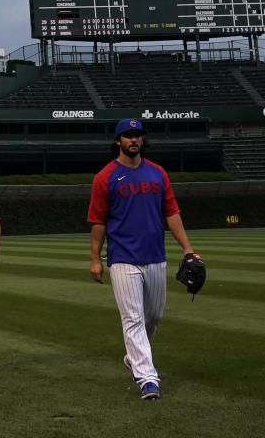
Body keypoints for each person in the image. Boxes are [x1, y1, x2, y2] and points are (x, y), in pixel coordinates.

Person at [87, 119, 198, 401]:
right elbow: (98, 221)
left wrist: (187, 248)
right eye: (128, 136)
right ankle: (148, 378)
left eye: (137, 135)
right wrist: (95, 258)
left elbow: (171, 212)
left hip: (155, 256)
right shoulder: (105, 177)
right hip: (123, 257)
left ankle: (133, 356)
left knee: (155, 315)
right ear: (118, 141)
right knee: (133, 318)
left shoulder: (158, 173)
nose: (133, 140)